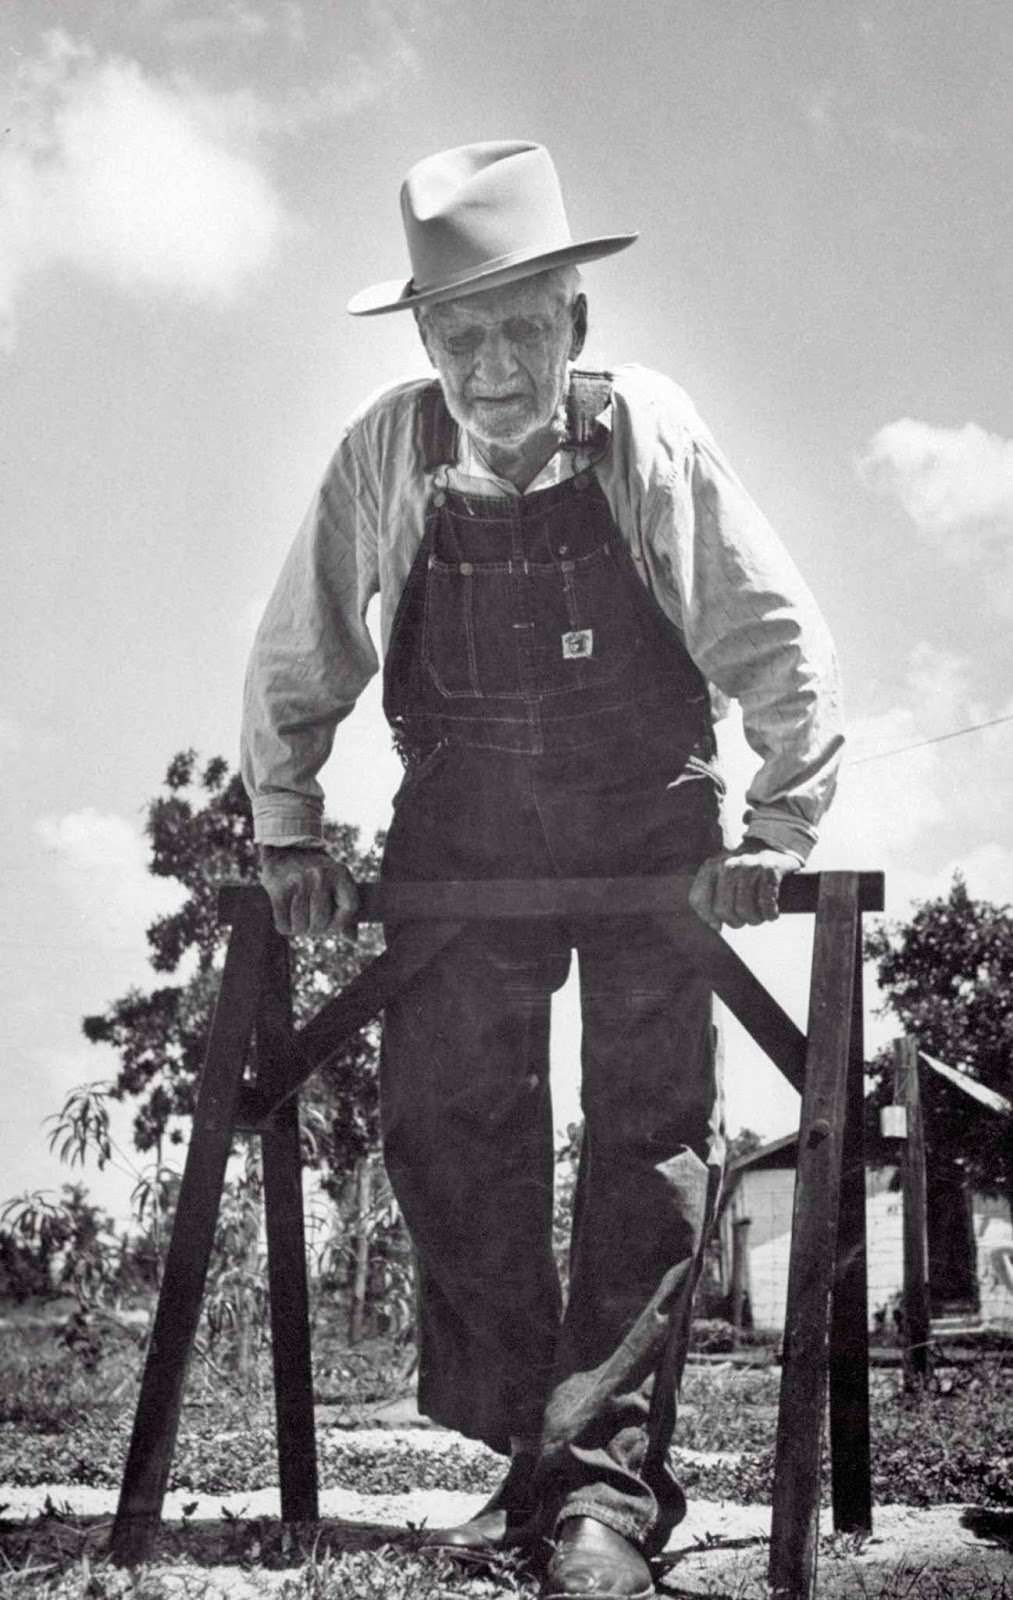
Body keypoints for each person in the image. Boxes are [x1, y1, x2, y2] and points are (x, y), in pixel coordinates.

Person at [241, 140, 843, 1600]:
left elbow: (772, 632)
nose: (493, 364)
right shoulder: (384, 452)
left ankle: (603, 1506)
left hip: (646, 820)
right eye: (464, 333)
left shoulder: (645, 434)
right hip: (465, 824)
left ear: (576, 325)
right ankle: (546, 1453)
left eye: (524, 328)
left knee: (647, 1140)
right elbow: (299, 649)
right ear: (427, 337)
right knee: (445, 1124)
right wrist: (289, 826)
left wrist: (776, 829)